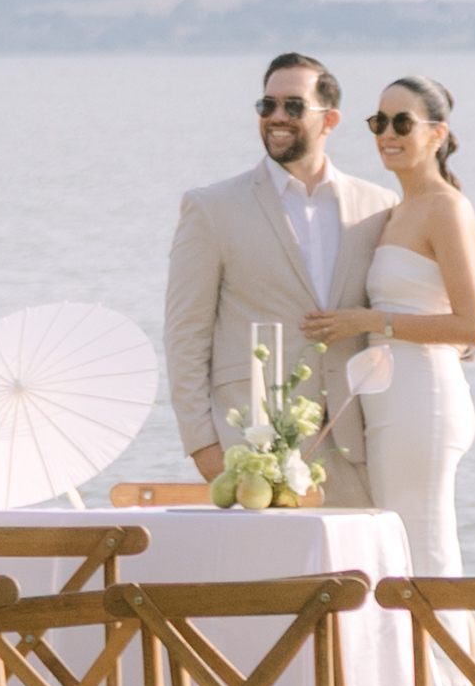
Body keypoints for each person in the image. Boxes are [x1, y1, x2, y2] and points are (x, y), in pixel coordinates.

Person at [161, 52, 386, 506]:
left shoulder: (379, 205)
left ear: (330, 119)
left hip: (357, 446)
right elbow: (185, 334)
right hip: (251, 448)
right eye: (268, 105)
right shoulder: (212, 208)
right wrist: (204, 447)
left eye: (293, 106)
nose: (277, 117)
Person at [300, 75, 475, 585]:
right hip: (388, 399)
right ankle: (418, 642)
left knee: (424, 554)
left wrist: (369, 322)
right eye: (378, 122)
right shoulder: (396, 211)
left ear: (437, 133)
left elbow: (472, 326)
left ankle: (442, 642)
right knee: (398, 556)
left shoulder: (446, 208)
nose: (387, 133)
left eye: (402, 122)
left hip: (423, 395)